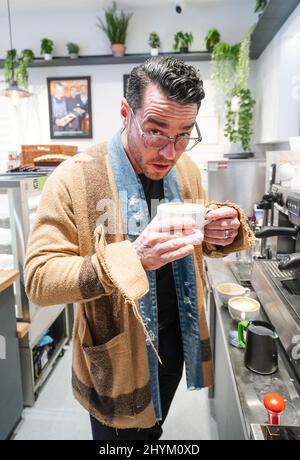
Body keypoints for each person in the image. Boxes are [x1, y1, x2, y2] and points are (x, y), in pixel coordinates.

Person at [25, 56, 254, 440]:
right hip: (115, 362)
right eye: (156, 131)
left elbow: (193, 242)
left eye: (184, 134)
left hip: (175, 341)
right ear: (125, 113)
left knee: (153, 432)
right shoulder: (74, 178)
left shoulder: (187, 171)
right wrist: (132, 259)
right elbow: (39, 279)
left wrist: (219, 232)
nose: (170, 152)